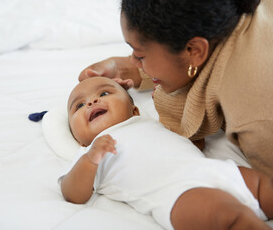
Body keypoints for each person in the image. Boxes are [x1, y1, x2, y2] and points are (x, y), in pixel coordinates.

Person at [78, 0, 273, 177]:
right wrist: (122, 67)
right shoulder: (232, 6)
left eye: (139, 54)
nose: (135, 61)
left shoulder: (256, 115)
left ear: (194, 50)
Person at [60, 76, 273, 230]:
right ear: (78, 138)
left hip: (213, 169)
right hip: (178, 195)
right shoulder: (89, 153)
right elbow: (73, 194)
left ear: (134, 110)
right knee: (230, 216)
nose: (91, 102)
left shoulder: (149, 121)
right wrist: (90, 159)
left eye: (104, 93)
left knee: (266, 186)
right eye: (78, 106)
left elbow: (185, 123)